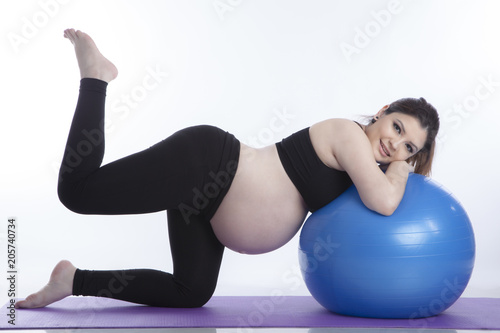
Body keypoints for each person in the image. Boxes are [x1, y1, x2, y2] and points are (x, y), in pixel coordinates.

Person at [16, 29, 439, 309]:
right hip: (207, 165)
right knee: (78, 192)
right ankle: (96, 78)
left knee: (192, 291)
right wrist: (402, 168)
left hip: (209, 206)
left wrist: (398, 164)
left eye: (408, 146)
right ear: (382, 111)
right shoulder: (349, 136)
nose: (394, 144)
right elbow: (384, 202)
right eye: (397, 127)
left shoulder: (364, 164)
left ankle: (72, 280)